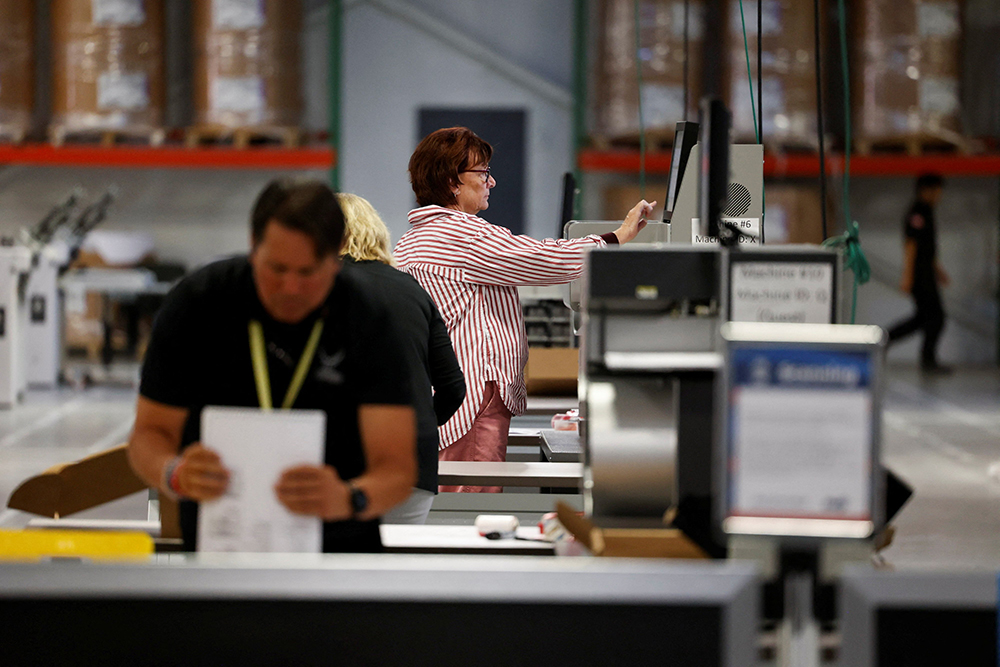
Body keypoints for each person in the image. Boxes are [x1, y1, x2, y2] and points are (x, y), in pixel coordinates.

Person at [127, 179, 417, 552]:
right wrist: (175, 473)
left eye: (308, 272)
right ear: (253, 245)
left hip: (338, 556)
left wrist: (350, 498)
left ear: (337, 256)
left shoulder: (368, 317)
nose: (291, 287)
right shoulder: (199, 304)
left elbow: (396, 469)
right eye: (276, 269)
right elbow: (148, 437)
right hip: (219, 550)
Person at [394, 126, 655, 492]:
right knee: (471, 508)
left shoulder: (415, 237)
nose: (492, 181)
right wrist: (617, 237)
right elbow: (542, 259)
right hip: (471, 399)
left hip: (442, 397)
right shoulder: (462, 234)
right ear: (453, 182)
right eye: (482, 173)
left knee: (449, 503)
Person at [336, 191, 466, 523]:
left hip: (346, 463)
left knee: (342, 570)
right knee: (400, 569)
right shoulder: (412, 290)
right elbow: (453, 386)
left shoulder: (326, 289)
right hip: (414, 466)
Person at [887, 173, 951, 374]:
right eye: (936, 190)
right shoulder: (917, 213)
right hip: (919, 275)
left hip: (926, 273)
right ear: (926, 190)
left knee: (923, 318)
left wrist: (937, 269)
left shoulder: (927, 211)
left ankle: (882, 341)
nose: (939, 195)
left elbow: (927, 247)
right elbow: (912, 245)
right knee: (935, 317)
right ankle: (927, 360)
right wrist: (907, 275)